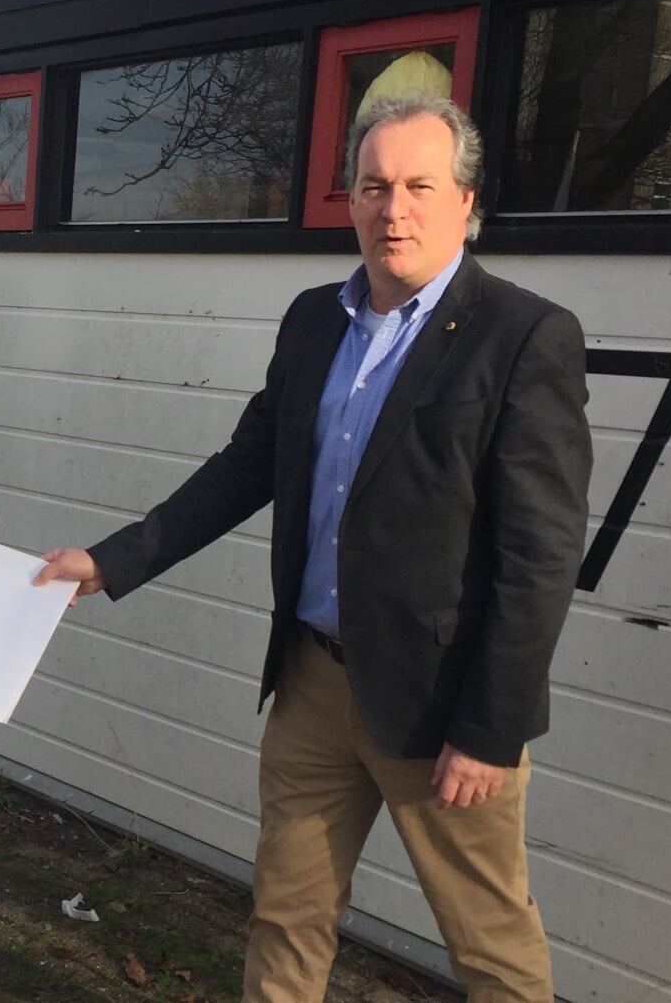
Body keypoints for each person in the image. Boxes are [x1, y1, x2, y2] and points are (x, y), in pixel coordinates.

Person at [35, 96, 591, 1003]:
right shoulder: (314, 320)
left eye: (419, 186)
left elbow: (540, 557)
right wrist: (113, 559)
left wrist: (488, 730)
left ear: (465, 201)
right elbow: (247, 465)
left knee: (490, 948)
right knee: (286, 915)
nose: (393, 208)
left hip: (439, 704)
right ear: (351, 200)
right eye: (374, 186)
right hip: (312, 685)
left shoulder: (523, 336)